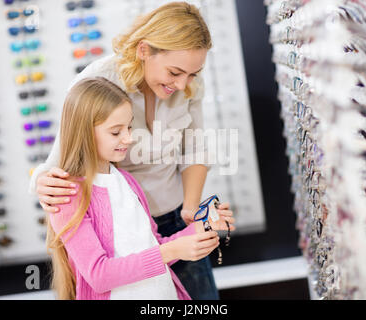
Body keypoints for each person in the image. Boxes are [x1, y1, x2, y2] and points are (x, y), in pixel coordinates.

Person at [31, 2, 235, 300]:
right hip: (118, 234)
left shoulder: (189, 81)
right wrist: (43, 182)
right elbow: (65, 158)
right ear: (144, 51)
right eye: (175, 72)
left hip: (173, 221)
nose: (182, 84)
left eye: (192, 74)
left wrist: (192, 211)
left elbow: (194, 148)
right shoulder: (98, 82)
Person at [47, 76, 229, 300]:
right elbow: (99, 275)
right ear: (83, 131)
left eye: (130, 127)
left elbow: (153, 246)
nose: (129, 138)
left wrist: (202, 228)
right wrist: (170, 251)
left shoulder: (126, 180)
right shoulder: (68, 196)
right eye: (116, 132)